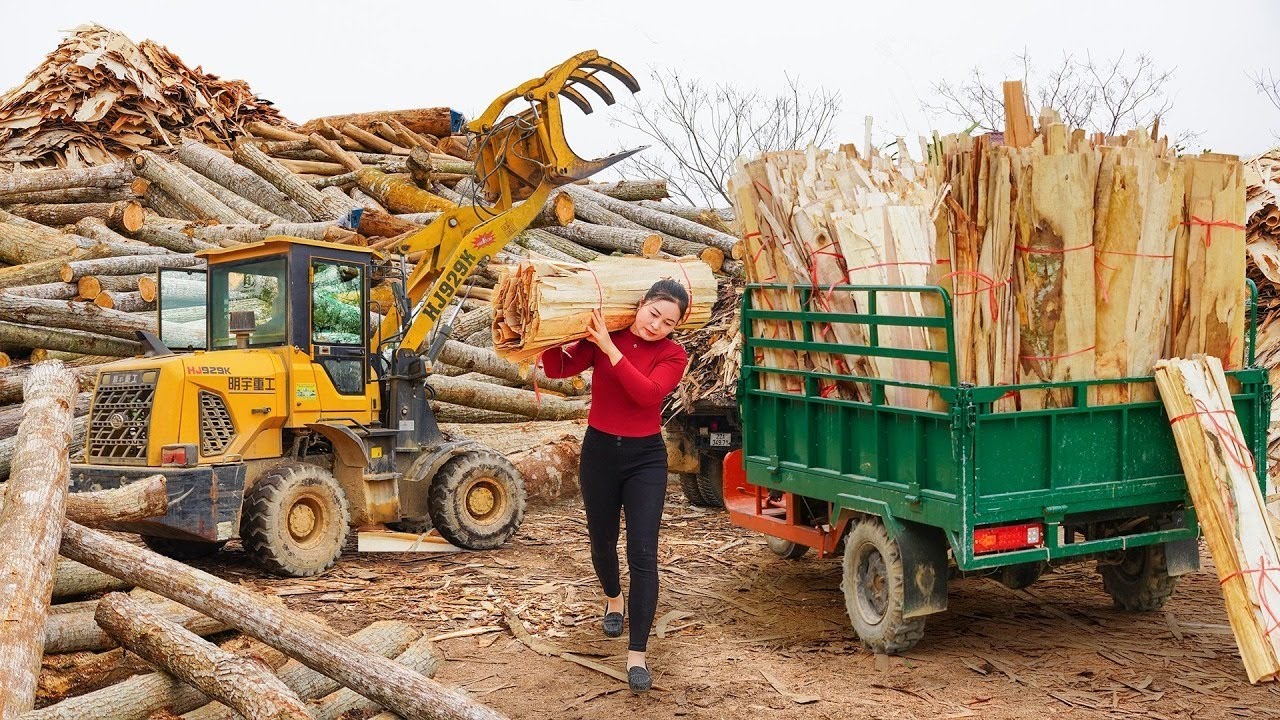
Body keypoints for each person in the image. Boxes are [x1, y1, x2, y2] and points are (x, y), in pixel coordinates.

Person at [540, 278, 691, 693]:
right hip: (600, 452)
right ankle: (613, 600)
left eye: (667, 322)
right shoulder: (608, 331)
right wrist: (551, 329)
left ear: (676, 327)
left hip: (646, 459)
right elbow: (557, 368)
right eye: (653, 313)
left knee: (643, 553)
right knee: (602, 540)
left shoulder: (673, 355)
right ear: (641, 304)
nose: (656, 325)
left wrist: (610, 348)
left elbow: (647, 396)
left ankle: (637, 655)